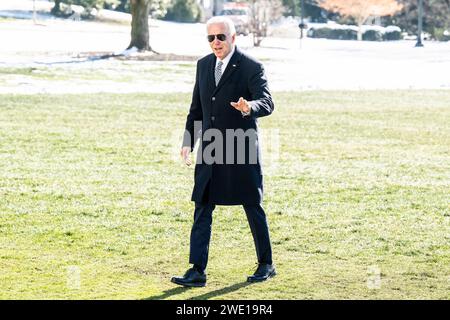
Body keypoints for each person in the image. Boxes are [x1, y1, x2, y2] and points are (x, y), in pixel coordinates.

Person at [171, 16, 275, 287]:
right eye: (211, 38)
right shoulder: (203, 65)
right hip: (210, 148)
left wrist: (248, 107)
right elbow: (197, 108)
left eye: (221, 37)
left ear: (233, 38)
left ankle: (266, 263)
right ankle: (197, 270)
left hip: (241, 147)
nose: (216, 42)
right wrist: (187, 141)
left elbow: (267, 102)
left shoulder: (251, 66)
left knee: (252, 204)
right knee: (202, 206)